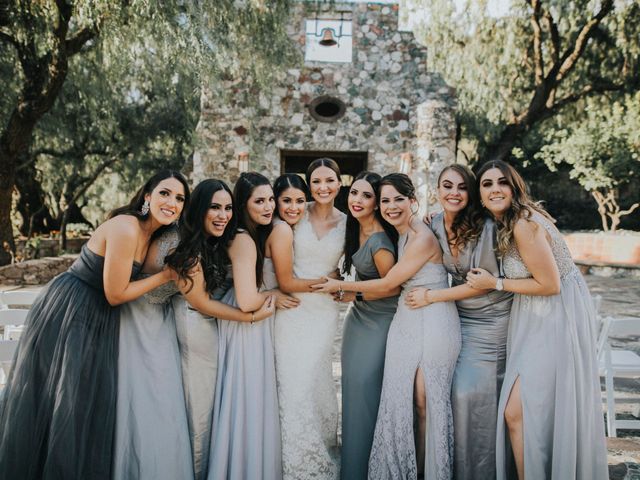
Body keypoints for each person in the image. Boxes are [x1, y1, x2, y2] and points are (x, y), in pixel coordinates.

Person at [0, 170, 188, 480]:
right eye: (165, 193)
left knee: (86, 403)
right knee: (67, 401)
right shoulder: (127, 228)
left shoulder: (152, 235)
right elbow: (116, 294)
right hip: (71, 311)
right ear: (147, 196)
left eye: (179, 198)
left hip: (98, 317)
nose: (172, 202)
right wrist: (166, 276)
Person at [466, 160, 608, 480]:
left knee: (517, 412)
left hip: (554, 318)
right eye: (486, 185)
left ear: (514, 187)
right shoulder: (512, 221)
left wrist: (495, 283)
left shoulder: (523, 224)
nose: (495, 189)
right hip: (537, 317)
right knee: (530, 411)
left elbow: (550, 284)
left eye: (502, 182)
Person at [313, 173, 461, 480]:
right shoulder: (401, 230)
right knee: (397, 398)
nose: (391, 206)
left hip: (429, 317)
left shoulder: (417, 237)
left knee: (422, 398)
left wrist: (339, 287)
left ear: (412, 201)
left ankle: (425, 470)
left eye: (397, 199)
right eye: (385, 200)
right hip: (403, 319)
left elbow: (392, 283)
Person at [405, 164, 513, 480]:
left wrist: (430, 298)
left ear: (471, 192)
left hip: (491, 320)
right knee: (443, 394)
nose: (454, 193)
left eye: (462, 187)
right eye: (447, 186)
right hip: (456, 318)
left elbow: (479, 283)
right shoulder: (434, 224)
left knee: (469, 396)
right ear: (437, 190)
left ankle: (482, 472)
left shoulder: (486, 228)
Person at [167, 179, 274, 480]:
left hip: (207, 327)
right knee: (200, 416)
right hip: (195, 327)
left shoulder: (215, 241)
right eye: (214, 207)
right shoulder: (189, 249)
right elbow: (201, 302)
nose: (223, 215)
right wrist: (252, 317)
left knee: (209, 413)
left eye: (227, 208)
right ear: (199, 209)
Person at [207, 172, 282, 480]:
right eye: (259, 201)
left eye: (271, 200)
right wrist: (275, 293)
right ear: (243, 204)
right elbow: (249, 300)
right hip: (245, 328)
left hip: (241, 326)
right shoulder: (243, 239)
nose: (269, 207)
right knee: (247, 403)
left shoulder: (245, 234)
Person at [274, 159, 346, 480]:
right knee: (292, 384)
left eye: (329, 180)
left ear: (339, 183)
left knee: (317, 383)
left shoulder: (349, 222)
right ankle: (290, 461)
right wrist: (327, 280)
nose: (323, 187)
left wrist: (342, 281)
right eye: (316, 181)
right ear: (308, 185)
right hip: (291, 310)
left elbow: (358, 259)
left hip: (323, 315)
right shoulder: (293, 215)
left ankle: (323, 451)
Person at [338, 172, 400, 480]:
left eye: (366, 196)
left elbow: (391, 288)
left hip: (381, 320)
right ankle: (352, 467)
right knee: (351, 391)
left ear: (376, 204)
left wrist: (351, 292)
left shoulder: (379, 239)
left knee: (365, 391)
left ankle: (367, 470)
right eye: (354, 194)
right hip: (357, 318)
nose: (357, 200)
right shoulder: (354, 228)